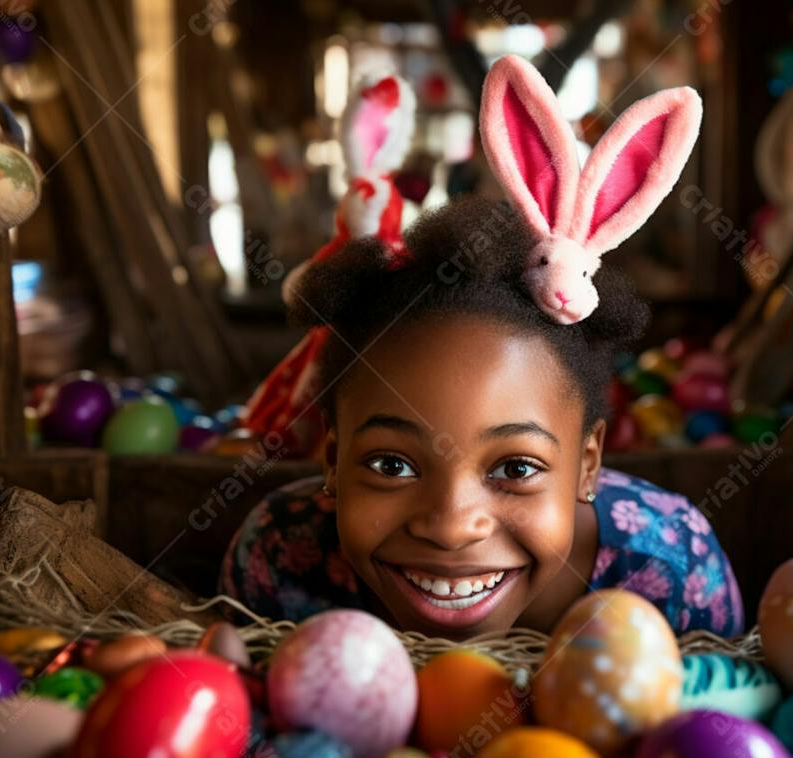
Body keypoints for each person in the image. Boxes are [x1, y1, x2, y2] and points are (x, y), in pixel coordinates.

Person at [221, 55, 743, 639]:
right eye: (390, 464)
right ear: (332, 461)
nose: (450, 526)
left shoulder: (670, 577)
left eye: (517, 468)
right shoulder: (282, 568)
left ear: (587, 465)